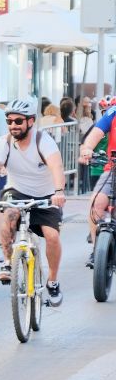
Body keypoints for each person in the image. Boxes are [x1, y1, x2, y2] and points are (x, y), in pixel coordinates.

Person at [0, 98, 66, 305]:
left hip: (46, 195)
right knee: (9, 216)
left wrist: (59, 191)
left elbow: (56, 167)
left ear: (31, 121)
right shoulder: (5, 143)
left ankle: (52, 281)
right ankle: (9, 263)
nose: (13, 126)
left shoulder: (43, 141)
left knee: (52, 236)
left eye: (18, 121)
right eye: (9, 121)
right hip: (17, 191)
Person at [76, 96, 116, 266]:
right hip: (113, 168)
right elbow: (96, 133)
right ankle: (97, 251)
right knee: (96, 203)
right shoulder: (113, 112)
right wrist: (87, 149)